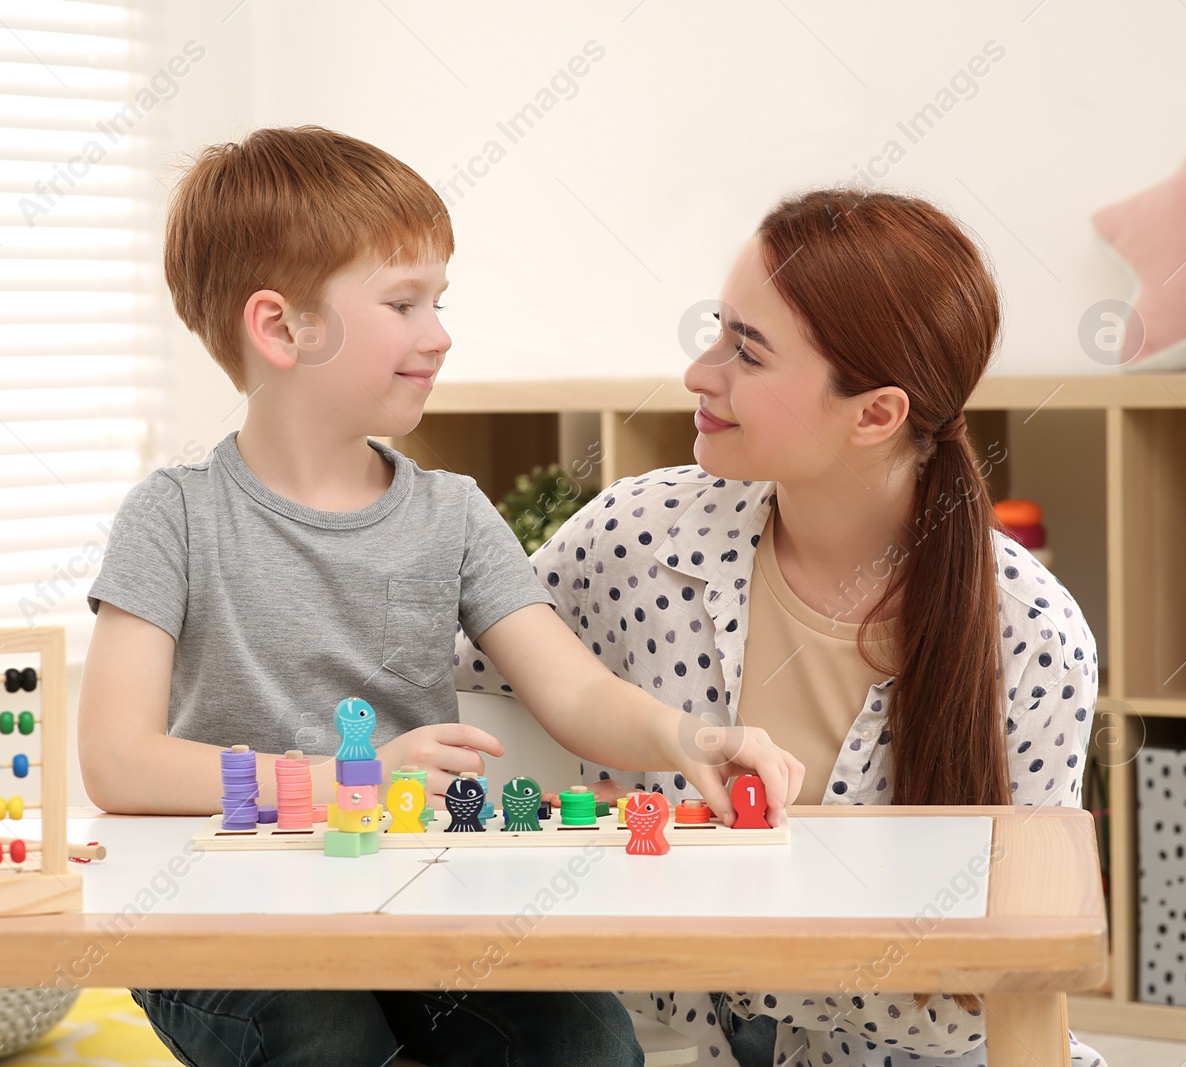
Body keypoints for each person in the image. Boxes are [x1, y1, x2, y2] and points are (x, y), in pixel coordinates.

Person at [78, 124, 800, 1067]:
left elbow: (574, 692)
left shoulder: (451, 513)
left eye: (439, 300)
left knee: (585, 1043)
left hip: (412, 899)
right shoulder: (171, 518)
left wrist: (692, 739)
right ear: (281, 327)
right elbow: (119, 763)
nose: (439, 334)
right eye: (404, 302)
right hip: (223, 910)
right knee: (325, 1037)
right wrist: (354, 784)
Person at [456, 188, 1107, 1067]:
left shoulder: (1032, 638)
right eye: (718, 331)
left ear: (876, 414)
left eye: (747, 353)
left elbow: (1023, 969)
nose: (699, 372)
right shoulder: (634, 537)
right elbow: (477, 706)